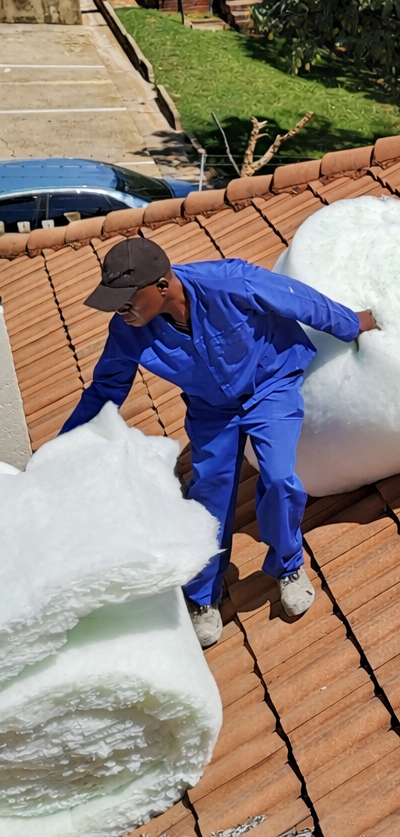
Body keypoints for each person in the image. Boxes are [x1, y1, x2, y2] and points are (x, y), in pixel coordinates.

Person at [61, 236, 376, 648]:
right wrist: (64, 449)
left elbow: (299, 301)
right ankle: (203, 596)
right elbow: (105, 389)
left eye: (127, 300)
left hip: (270, 385)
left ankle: (288, 566)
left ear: (161, 285)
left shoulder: (230, 282)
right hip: (213, 410)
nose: (121, 311)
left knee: (280, 477)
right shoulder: (128, 331)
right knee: (209, 495)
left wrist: (354, 324)